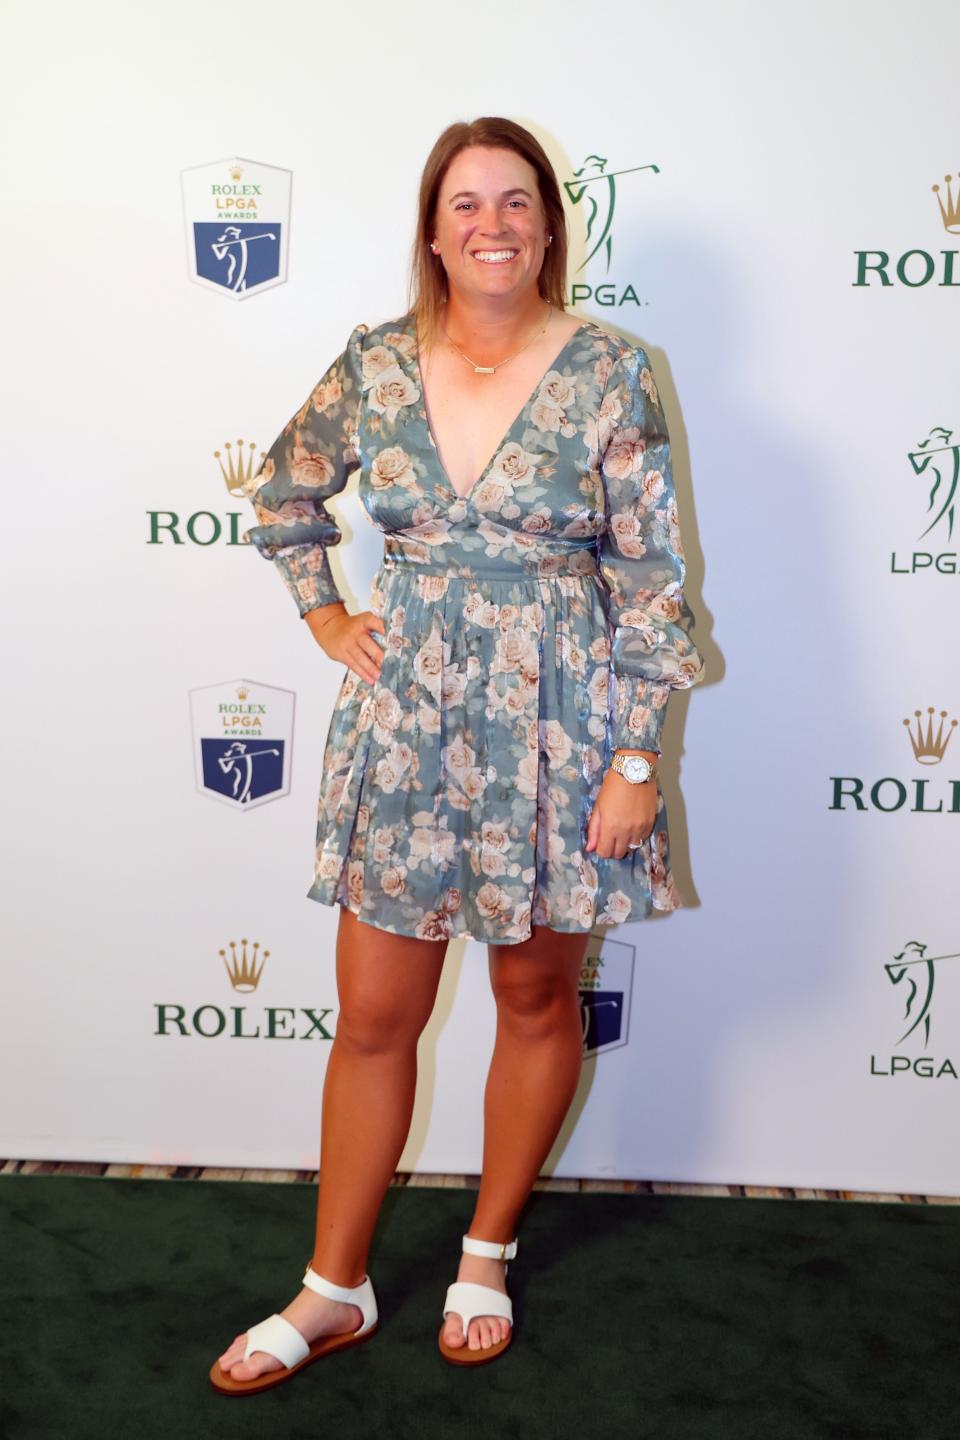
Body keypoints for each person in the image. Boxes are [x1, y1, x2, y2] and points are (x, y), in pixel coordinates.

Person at [210, 115, 705, 1394]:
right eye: (467, 204)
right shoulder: (375, 363)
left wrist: (636, 763)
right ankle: (336, 1289)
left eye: (518, 202)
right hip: (409, 724)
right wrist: (323, 611)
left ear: (551, 225)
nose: (494, 224)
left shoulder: (609, 370)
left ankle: (485, 1251)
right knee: (377, 1019)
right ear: (434, 230)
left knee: (538, 1000)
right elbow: (284, 491)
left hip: (563, 724)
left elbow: (650, 575)